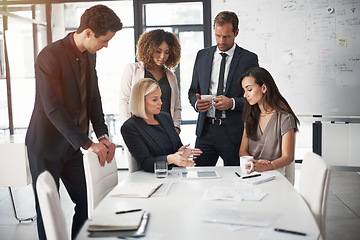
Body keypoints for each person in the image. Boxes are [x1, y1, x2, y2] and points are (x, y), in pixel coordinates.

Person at [25, 5, 122, 240]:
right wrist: (88, 144)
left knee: (87, 200)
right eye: (104, 40)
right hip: (45, 146)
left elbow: (93, 97)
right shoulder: (49, 56)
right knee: (49, 210)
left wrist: (102, 136)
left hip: (72, 146)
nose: (106, 45)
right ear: (88, 33)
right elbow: (53, 109)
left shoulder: (90, 54)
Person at [188, 11, 259, 166]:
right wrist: (196, 103)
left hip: (233, 132)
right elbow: (193, 91)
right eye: (217, 35)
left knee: (236, 181)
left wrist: (232, 103)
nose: (221, 41)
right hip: (205, 131)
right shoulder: (202, 55)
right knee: (201, 177)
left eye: (226, 36)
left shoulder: (249, 59)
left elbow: (256, 97)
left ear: (236, 33)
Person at [121, 78, 201, 172]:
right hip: (151, 179)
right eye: (155, 100)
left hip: (174, 175)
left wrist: (181, 152)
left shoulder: (165, 117)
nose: (161, 103)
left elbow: (177, 147)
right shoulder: (130, 127)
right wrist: (170, 159)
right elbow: (145, 163)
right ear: (140, 101)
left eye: (160, 98)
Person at [238, 67, 299, 179]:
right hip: (253, 174)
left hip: (276, 175)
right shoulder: (250, 117)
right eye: (244, 90)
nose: (245, 95)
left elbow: (287, 156)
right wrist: (255, 164)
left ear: (264, 88)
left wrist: (268, 166)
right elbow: (243, 151)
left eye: (249, 90)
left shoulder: (285, 118)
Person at [120, 29, 182, 133]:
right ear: (148, 49)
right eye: (158, 51)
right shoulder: (132, 70)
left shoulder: (171, 76)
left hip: (166, 131)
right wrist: (129, 129)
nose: (162, 56)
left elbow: (176, 107)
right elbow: (124, 101)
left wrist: (176, 127)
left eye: (166, 52)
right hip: (140, 130)